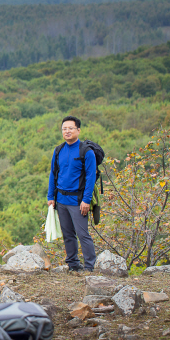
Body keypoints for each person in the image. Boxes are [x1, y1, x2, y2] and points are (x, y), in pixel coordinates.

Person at [47, 115, 97, 272]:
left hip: (78, 201)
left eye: (70, 128)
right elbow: (53, 174)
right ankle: (73, 265)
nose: (67, 131)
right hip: (61, 199)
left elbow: (91, 177)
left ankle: (90, 267)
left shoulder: (86, 152)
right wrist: (50, 197)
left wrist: (87, 200)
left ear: (78, 130)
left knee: (83, 235)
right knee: (68, 234)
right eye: (64, 129)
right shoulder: (58, 150)